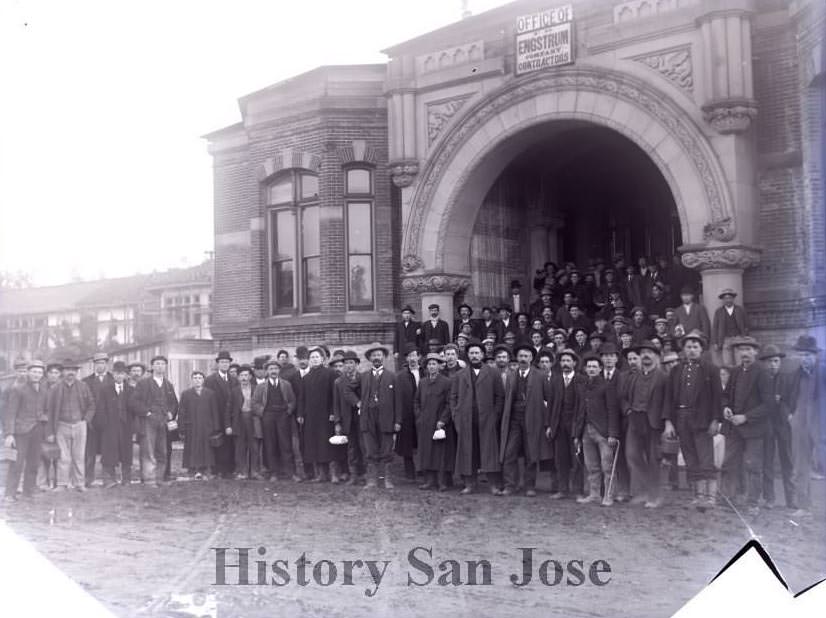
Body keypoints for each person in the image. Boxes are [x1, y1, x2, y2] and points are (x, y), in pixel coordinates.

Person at [663, 331, 723, 510]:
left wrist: (715, 420)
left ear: (701, 349)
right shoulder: (676, 370)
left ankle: (710, 497)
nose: (691, 350)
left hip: (703, 420)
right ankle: (697, 497)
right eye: (688, 347)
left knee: (705, 458)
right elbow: (668, 398)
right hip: (681, 419)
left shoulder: (711, 369)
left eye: (695, 347)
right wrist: (668, 422)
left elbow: (717, 397)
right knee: (690, 459)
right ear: (683, 349)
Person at [720, 336, 772, 515]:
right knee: (729, 462)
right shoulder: (734, 372)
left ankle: (753, 503)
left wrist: (746, 417)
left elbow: (769, 405)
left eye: (749, 349)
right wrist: (726, 407)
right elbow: (725, 395)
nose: (745, 353)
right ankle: (729, 498)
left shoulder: (763, 373)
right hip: (734, 428)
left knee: (753, 465)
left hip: (754, 428)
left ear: (755, 352)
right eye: (741, 350)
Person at [450, 341, 505, 495]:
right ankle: (469, 484)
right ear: (467, 355)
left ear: (482, 355)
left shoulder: (493, 373)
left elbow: (499, 397)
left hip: (487, 420)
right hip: (466, 420)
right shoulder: (460, 375)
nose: (474, 356)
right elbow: (453, 397)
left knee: (489, 452)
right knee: (468, 452)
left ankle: (493, 485)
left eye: (477, 353)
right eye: (471, 353)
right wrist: (456, 416)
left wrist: (495, 416)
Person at [500, 344, 554, 497]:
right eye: (521, 356)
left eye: (526, 356)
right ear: (517, 358)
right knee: (509, 452)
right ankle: (511, 485)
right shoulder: (510, 376)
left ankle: (530, 486)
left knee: (531, 454)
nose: (523, 359)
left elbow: (549, 399)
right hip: (514, 420)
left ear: (531, 358)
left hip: (533, 420)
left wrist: (546, 422)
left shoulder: (540, 376)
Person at [621, 341, 668, 508]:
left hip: (653, 422)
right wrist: (628, 410)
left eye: (650, 353)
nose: (646, 356)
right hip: (635, 420)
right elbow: (623, 397)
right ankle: (646, 491)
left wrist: (667, 423)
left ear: (656, 357)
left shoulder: (663, 377)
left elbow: (668, 402)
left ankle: (654, 496)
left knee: (653, 459)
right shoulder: (633, 376)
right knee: (632, 454)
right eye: (643, 353)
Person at [574, 354, 620, 506]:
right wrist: (577, 434)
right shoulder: (583, 386)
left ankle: (609, 496)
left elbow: (613, 410)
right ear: (586, 369)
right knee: (591, 465)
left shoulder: (607, 386)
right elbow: (579, 411)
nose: (592, 369)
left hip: (604, 433)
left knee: (607, 466)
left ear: (600, 369)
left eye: (595, 366)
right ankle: (594, 494)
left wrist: (613, 434)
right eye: (589, 367)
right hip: (586, 431)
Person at [786, 334, 824, 517]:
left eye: (808, 355)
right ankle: (804, 506)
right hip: (800, 422)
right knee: (801, 464)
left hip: (821, 422)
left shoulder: (824, 373)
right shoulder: (795, 375)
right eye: (801, 355)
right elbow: (788, 398)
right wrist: (791, 415)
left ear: (816, 356)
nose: (805, 359)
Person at [47, 359, 95, 491]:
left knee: (79, 456)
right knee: (63, 457)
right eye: (68, 370)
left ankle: (79, 483)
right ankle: (62, 484)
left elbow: (92, 404)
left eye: (73, 370)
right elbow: (50, 411)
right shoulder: (55, 388)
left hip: (80, 425)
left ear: (77, 372)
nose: (71, 373)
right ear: (63, 372)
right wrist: (50, 431)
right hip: (62, 425)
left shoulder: (83, 386)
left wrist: (86, 419)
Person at [4, 360, 48, 501]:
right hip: (21, 431)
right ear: (28, 372)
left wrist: (43, 419)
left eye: (39, 372)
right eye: (34, 372)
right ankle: (9, 494)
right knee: (17, 463)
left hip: (37, 430)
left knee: (34, 462)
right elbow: (10, 412)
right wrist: (9, 434)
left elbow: (45, 409)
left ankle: (28, 492)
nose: (37, 375)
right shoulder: (18, 389)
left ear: (42, 374)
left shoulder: (43, 389)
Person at [131, 355, 178, 487]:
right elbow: (134, 402)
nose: (160, 366)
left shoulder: (168, 384)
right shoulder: (143, 383)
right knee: (148, 451)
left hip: (163, 422)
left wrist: (171, 413)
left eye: (162, 364)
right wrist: (147, 412)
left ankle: (159, 479)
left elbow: (174, 403)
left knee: (162, 451)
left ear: (165, 367)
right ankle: (149, 480)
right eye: (157, 364)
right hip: (148, 422)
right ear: (152, 366)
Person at [358, 343, 400, 489]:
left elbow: (398, 401)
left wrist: (398, 421)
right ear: (370, 358)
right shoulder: (363, 377)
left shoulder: (392, 377)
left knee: (387, 449)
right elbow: (347, 389)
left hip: (387, 418)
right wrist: (358, 403)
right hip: (368, 418)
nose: (376, 358)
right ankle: (372, 480)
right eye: (374, 355)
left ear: (384, 357)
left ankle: (387, 479)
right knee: (370, 449)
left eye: (379, 355)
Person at [759, 344, 794, 509]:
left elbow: (791, 401)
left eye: (775, 361)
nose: (772, 364)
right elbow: (760, 402)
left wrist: (783, 404)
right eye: (769, 362)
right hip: (767, 424)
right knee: (767, 460)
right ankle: (769, 498)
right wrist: (773, 400)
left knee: (787, 459)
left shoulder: (787, 379)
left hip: (783, 424)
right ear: (764, 364)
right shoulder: (761, 380)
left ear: (780, 362)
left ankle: (791, 498)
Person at [253, 359, 298, 482]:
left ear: (279, 370)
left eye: (276, 369)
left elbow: (292, 401)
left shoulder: (286, 385)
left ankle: (290, 472)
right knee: (270, 444)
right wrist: (262, 413)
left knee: (286, 444)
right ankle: (274, 472)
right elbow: (255, 403)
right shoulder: (261, 387)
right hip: (268, 417)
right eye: (271, 369)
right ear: (267, 371)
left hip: (283, 417)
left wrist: (288, 411)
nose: (273, 371)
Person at [414, 353, 455, 491]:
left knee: (440, 453)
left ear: (439, 366)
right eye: (429, 364)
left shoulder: (446, 382)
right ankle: (429, 481)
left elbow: (450, 403)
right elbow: (416, 401)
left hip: (439, 424)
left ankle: (442, 482)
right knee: (426, 452)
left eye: (434, 364)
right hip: (425, 424)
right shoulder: (423, 382)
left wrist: (443, 420)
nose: (431, 367)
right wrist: (419, 417)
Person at [297, 347, 338, 483]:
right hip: (311, 417)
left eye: (317, 357)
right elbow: (301, 398)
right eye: (312, 357)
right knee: (315, 444)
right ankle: (321, 474)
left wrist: (333, 412)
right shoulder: (306, 378)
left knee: (328, 444)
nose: (314, 359)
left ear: (322, 359)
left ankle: (333, 474)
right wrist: (301, 414)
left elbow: (335, 395)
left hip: (326, 416)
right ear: (309, 361)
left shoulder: (330, 374)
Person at [548, 349, 581, 499]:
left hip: (575, 425)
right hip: (559, 425)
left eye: (568, 361)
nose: (565, 364)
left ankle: (578, 490)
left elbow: (582, 406)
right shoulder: (555, 380)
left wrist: (579, 428)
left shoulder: (581, 380)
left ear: (574, 363)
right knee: (561, 458)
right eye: (563, 361)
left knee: (577, 459)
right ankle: (562, 489)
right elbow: (551, 405)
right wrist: (549, 425)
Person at [99, 361, 135, 488]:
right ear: (113, 374)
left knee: (126, 452)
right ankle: (109, 479)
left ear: (125, 375)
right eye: (117, 373)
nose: (119, 376)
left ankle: (126, 479)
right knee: (109, 452)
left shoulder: (131, 390)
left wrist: (133, 427)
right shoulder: (105, 390)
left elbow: (134, 410)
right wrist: (104, 426)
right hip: (110, 427)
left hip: (126, 426)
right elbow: (101, 409)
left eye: (122, 374)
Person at [179, 371, 220, 479]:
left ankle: (206, 468)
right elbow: (182, 411)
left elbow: (214, 411)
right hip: (191, 425)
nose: (197, 380)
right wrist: (182, 427)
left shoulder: (210, 393)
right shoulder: (186, 394)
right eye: (195, 378)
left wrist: (216, 427)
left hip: (206, 425)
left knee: (206, 447)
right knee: (193, 447)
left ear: (203, 380)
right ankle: (193, 468)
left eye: (200, 378)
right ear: (192, 380)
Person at [332, 350, 364, 485]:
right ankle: (353, 475)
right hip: (347, 419)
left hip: (362, 418)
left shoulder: (364, 378)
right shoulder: (339, 382)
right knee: (351, 447)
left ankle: (364, 475)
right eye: (346, 363)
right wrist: (338, 422)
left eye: (351, 363)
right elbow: (336, 403)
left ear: (356, 364)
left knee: (364, 446)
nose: (348, 366)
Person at [204, 351, 238, 479]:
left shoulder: (234, 380)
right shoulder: (210, 380)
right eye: (222, 362)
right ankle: (217, 469)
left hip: (231, 417)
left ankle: (229, 469)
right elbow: (208, 400)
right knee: (218, 442)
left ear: (230, 364)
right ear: (218, 364)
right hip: (216, 416)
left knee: (230, 442)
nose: (225, 364)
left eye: (227, 362)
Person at [82, 352, 114, 488]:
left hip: (109, 423)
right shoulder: (86, 381)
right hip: (91, 423)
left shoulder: (113, 379)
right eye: (97, 363)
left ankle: (108, 479)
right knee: (89, 452)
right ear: (93, 365)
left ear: (107, 364)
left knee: (108, 451)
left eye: (103, 363)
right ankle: (87, 479)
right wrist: (87, 419)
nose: (100, 365)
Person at [394, 344, 421, 481]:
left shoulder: (425, 372)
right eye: (409, 356)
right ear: (406, 359)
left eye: (414, 355)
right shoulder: (400, 376)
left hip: (422, 413)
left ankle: (423, 470)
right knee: (407, 444)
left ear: (419, 357)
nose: (412, 359)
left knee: (423, 442)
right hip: (407, 414)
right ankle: (409, 472)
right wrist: (398, 419)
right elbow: (397, 398)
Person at [232, 365, 263, 480]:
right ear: (238, 377)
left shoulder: (257, 388)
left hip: (253, 420)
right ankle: (243, 472)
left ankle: (254, 471)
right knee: (240, 447)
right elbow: (229, 409)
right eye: (241, 375)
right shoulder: (234, 391)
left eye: (246, 375)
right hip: (239, 420)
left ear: (250, 376)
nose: (244, 378)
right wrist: (229, 425)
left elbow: (261, 404)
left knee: (254, 446)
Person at [711, 288, 749, 367]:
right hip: (725, 339)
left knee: (740, 362)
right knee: (727, 363)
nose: (728, 300)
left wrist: (745, 337)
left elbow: (746, 324)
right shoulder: (719, 312)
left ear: (733, 299)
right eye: (725, 298)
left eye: (730, 298)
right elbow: (715, 327)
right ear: (723, 300)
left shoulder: (740, 310)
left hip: (738, 338)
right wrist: (715, 342)